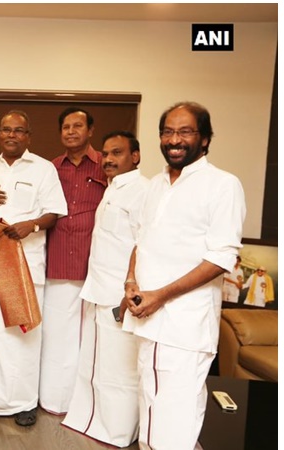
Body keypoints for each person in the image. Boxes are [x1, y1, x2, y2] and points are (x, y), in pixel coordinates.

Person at [120, 101, 246, 450]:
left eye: (185, 132)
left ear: (204, 139)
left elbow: (221, 258)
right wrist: (131, 283)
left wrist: (160, 295)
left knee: (175, 417)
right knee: (149, 406)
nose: (174, 139)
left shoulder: (223, 184)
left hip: (185, 325)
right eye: (168, 132)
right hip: (147, 318)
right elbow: (141, 241)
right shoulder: (155, 185)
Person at [0, 110, 68, 426]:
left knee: (24, 337)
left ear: (28, 136)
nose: (11, 135)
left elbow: (54, 212)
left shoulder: (43, 169)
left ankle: (24, 402)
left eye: (18, 130)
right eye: (6, 129)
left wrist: (32, 225)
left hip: (26, 265)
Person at [62, 131, 148, 447]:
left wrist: (131, 287)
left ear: (135, 156)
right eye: (106, 154)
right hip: (99, 288)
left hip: (121, 293)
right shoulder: (112, 188)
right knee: (96, 361)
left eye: (117, 153)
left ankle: (119, 430)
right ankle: (94, 422)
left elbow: (144, 245)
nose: (109, 159)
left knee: (119, 366)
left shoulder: (142, 191)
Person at [39, 107, 107, 414]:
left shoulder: (106, 165)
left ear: (90, 130)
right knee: (56, 337)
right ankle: (56, 400)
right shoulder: (50, 168)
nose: (71, 131)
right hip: (57, 263)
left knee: (91, 338)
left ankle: (86, 403)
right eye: (65, 126)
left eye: (77, 126)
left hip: (96, 265)